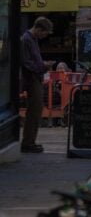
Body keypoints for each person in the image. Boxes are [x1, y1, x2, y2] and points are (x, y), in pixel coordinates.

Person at [20, 16, 53, 153]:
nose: (45, 36)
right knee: (34, 110)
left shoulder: (33, 40)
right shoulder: (26, 39)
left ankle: (30, 141)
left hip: (35, 77)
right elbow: (26, 63)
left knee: (36, 110)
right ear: (39, 29)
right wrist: (43, 66)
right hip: (31, 78)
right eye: (45, 33)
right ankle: (28, 143)